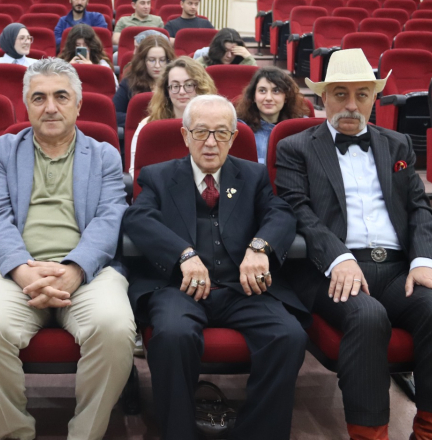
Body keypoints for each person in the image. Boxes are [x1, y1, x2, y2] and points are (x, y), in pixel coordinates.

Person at [274, 49, 432, 440]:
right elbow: (299, 212)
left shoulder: (397, 144)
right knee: (367, 316)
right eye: (340, 94)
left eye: (362, 94)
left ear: (373, 99)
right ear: (322, 97)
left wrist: (424, 262)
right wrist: (338, 257)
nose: (351, 104)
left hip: (397, 270)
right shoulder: (295, 147)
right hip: (330, 271)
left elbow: (419, 208)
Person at [0, 58, 136, 440]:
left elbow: (110, 218)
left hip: (89, 273)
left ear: (79, 104)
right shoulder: (4, 151)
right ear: (26, 105)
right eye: (39, 98)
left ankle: (85, 435)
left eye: (61, 96)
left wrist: (76, 269)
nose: (50, 107)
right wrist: (22, 269)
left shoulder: (104, 154)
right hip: (15, 272)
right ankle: (15, 433)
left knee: (115, 328)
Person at [123, 94, 309, 440]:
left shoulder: (252, 175)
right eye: (201, 132)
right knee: (173, 335)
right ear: (185, 135)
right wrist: (183, 253)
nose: (211, 142)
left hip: (242, 287)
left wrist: (260, 247)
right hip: (179, 288)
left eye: (221, 133)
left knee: (288, 336)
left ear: (233, 137)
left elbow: (280, 213)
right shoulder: (159, 176)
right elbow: (138, 218)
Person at [127, 56, 217, 175]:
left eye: (189, 85)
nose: (182, 92)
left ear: (200, 87)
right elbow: (136, 172)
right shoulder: (148, 126)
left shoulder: (216, 124)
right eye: (175, 86)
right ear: (167, 91)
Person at [236, 66, 307, 164]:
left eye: (276, 91)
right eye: (262, 91)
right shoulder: (241, 129)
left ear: (286, 97)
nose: (268, 98)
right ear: (253, 97)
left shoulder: (302, 127)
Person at [113, 33, 175, 127]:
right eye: (152, 60)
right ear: (143, 61)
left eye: (162, 60)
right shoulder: (130, 82)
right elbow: (114, 114)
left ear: (168, 61)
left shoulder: (177, 84)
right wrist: (147, 121)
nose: (157, 65)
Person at [57, 23, 118, 88]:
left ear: (91, 45)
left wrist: (93, 69)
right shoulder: (62, 62)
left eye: (85, 45)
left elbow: (114, 86)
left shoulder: (102, 63)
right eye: (77, 45)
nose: (81, 47)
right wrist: (68, 68)